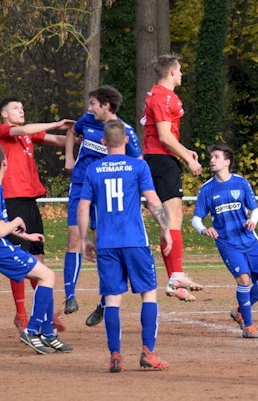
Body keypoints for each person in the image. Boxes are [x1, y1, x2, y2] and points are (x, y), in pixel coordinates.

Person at [77, 120, 171, 372]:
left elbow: (84, 207)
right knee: (148, 294)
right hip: (135, 242)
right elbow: (152, 201)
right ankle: (148, 352)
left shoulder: (93, 170)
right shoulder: (139, 166)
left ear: (103, 142)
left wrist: (85, 239)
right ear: (126, 141)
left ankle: (115, 355)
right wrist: (166, 230)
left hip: (106, 243)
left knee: (112, 300)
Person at [0, 144, 73, 355]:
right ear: (4, 163)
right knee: (47, 276)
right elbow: (0, 230)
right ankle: (33, 329)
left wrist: (26, 235)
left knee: (45, 276)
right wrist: (18, 220)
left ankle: (48, 334)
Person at [62, 86, 142, 328]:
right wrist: (69, 157)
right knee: (75, 238)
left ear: (106, 106)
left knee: (103, 244)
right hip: (80, 186)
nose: (89, 108)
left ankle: (105, 302)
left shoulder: (124, 132)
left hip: (106, 192)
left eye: (93, 103)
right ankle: (70, 296)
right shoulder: (87, 121)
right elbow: (70, 131)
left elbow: (137, 163)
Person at [0, 97, 73, 332]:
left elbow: (58, 140)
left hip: (29, 200)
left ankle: (46, 313)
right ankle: (21, 314)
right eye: (15, 108)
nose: (21, 110)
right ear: (4, 115)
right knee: (18, 258)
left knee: (38, 259)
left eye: (23, 107)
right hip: (12, 200)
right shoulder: (3, 131)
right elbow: (29, 129)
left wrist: (82, 135)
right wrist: (56, 123)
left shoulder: (27, 135)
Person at [192, 145, 258, 338]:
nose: (211, 160)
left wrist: (252, 221)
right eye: (211, 157)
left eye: (216, 157)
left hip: (249, 240)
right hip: (228, 243)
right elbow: (196, 218)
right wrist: (204, 229)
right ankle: (248, 325)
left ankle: (239, 310)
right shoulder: (206, 189)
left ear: (227, 162)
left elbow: (254, 209)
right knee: (244, 280)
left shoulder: (241, 183)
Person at [141, 54, 204, 302]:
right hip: (161, 162)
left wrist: (184, 151)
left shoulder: (160, 95)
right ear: (170, 73)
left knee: (171, 220)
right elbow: (164, 137)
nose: (181, 75)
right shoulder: (163, 97)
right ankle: (176, 274)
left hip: (162, 159)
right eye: (179, 71)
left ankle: (174, 277)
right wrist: (188, 160)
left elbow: (166, 138)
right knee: (174, 218)